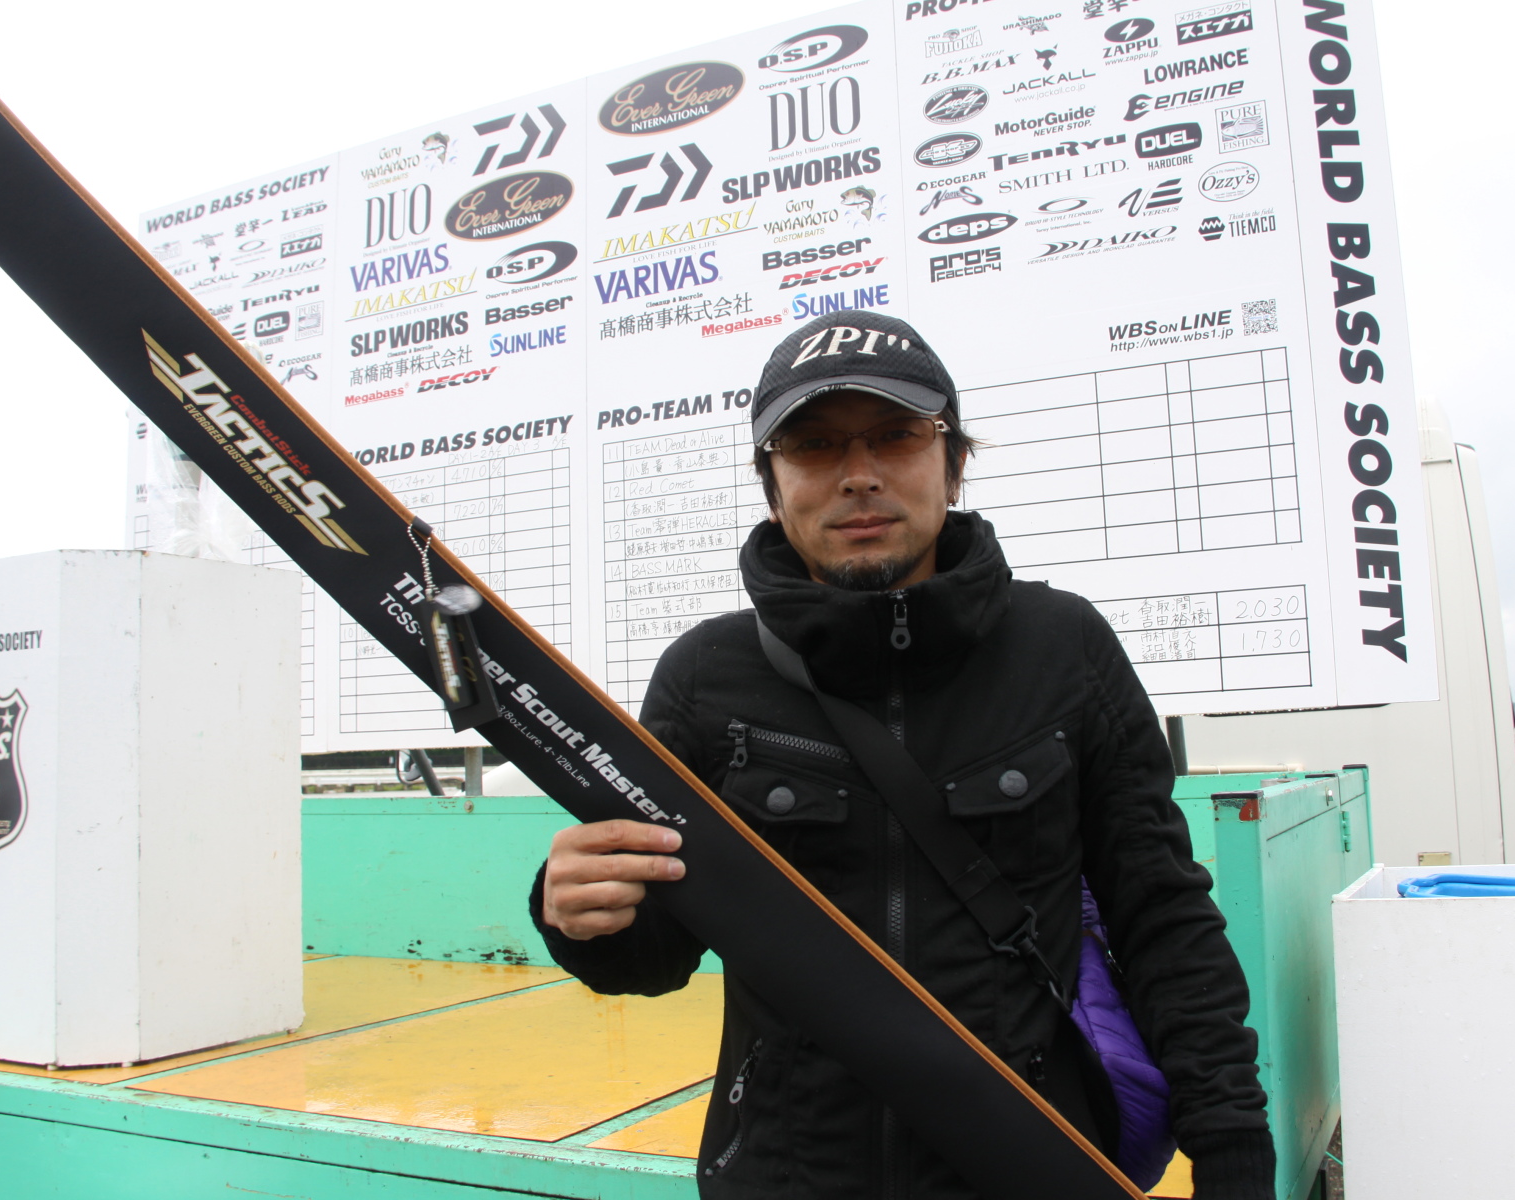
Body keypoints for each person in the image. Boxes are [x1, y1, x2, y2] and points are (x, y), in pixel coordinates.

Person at [533, 311, 1273, 1198]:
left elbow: (1162, 917)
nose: (859, 474)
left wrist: (1233, 1150)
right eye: (813, 445)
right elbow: (656, 958)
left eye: (896, 435)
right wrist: (579, 912)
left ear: (952, 463)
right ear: (772, 483)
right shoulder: (703, 677)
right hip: (785, 1177)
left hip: (1027, 1168)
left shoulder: (1065, 648)